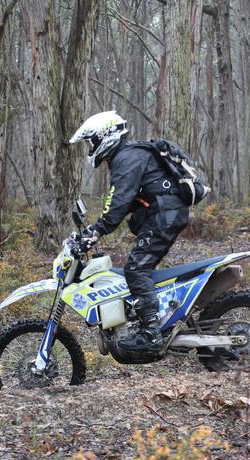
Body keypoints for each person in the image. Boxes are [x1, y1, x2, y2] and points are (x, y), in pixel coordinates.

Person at [69, 111, 189, 352]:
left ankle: (151, 334)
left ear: (106, 136)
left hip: (165, 215)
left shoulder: (127, 158)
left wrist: (97, 230)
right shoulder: (129, 155)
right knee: (139, 267)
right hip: (165, 213)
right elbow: (126, 201)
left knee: (136, 268)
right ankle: (151, 318)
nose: (92, 148)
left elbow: (119, 201)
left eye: (93, 141)